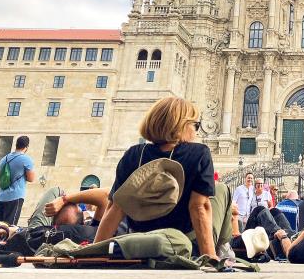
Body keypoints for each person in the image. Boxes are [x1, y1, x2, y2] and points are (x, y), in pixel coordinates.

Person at [94, 97, 230, 259]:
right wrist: (210, 257)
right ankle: (223, 249)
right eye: (195, 125)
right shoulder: (199, 153)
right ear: (181, 125)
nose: (196, 131)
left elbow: (115, 208)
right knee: (221, 188)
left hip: (140, 241)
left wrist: (95, 251)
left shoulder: (134, 154)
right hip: (182, 245)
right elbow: (199, 207)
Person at [0, 135, 36, 225]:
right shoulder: (26, 159)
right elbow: (31, 178)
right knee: (9, 227)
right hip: (15, 196)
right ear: (26, 147)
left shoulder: (4, 159)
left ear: (16, 145)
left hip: (1, 197)